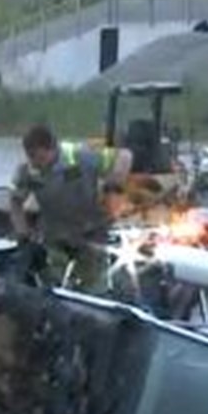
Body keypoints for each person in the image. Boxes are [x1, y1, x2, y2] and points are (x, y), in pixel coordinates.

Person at [9, 124, 132, 294]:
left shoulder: (81, 157)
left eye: (37, 157)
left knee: (94, 292)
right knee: (52, 291)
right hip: (55, 237)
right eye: (29, 156)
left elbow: (125, 156)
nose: (33, 163)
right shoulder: (28, 172)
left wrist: (113, 185)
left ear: (51, 149)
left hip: (91, 233)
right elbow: (15, 202)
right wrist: (22, 234)